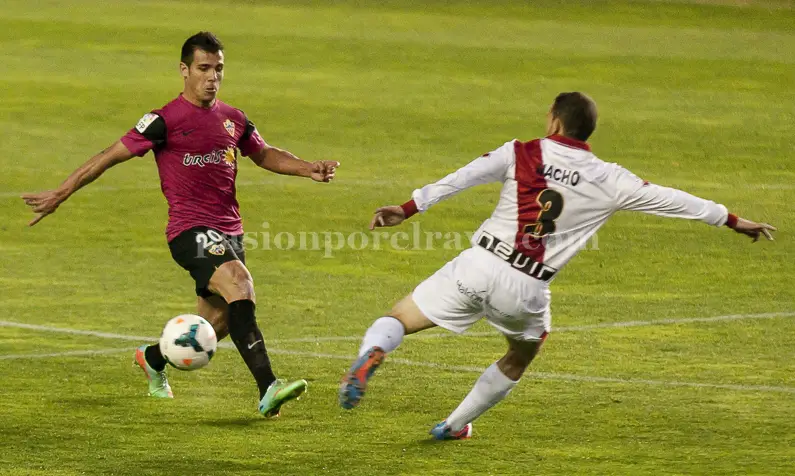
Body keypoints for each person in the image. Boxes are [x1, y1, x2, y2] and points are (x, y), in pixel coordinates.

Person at [338, 92, 775, 439]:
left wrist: (407, 208)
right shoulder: (612, 178)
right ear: (588, 131)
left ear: (554, 121)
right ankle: (453, 426)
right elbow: (675, 200)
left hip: (479, 262)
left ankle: (371, 353)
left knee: (398, 317)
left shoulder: (522, 152)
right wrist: (733, 220)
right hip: (527, 286)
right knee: (520, 354)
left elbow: (463, 177)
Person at [21, 31, 339, 417]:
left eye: (218, 69)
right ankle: (268, 388)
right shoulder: (163, 120)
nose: (212, 77)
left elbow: (265, 153)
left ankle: (153, 358)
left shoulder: (233, 119)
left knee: (212, 327)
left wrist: (310, 169)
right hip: (189, 231)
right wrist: (61, 192)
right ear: (184, 70)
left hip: (229, 230)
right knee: (240, 283)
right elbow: (107, 156)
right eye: (204, 68)